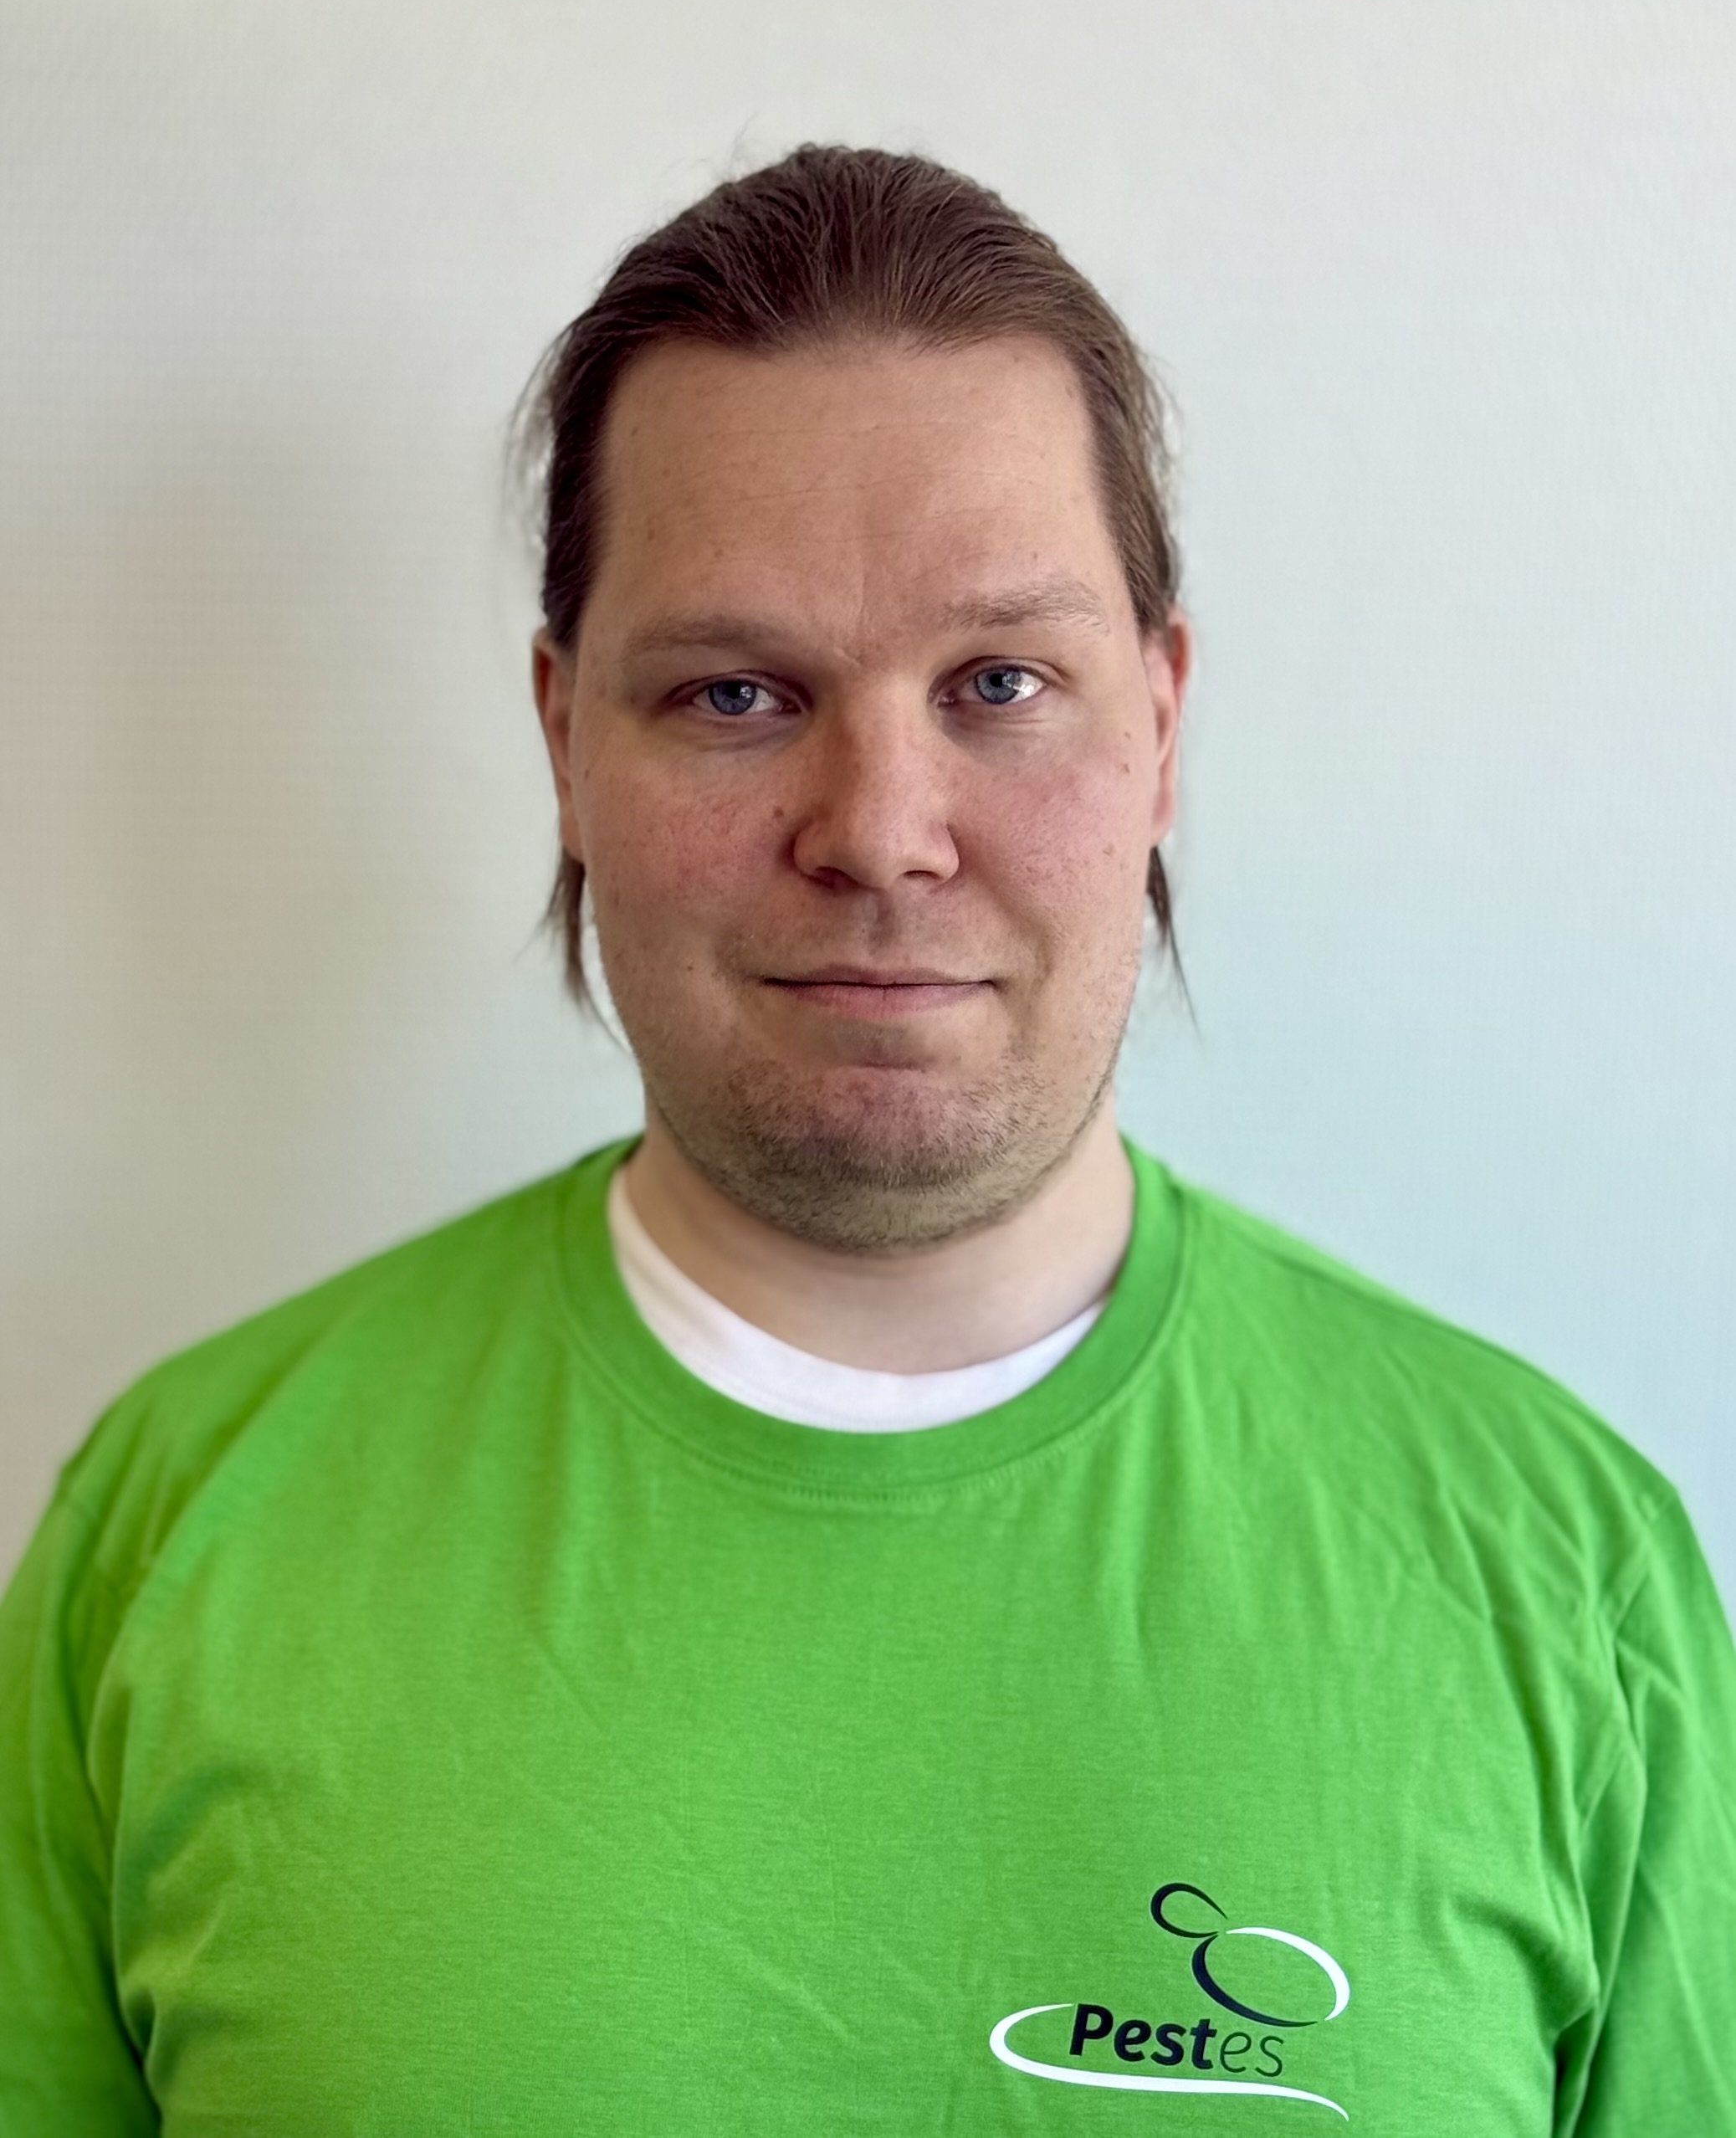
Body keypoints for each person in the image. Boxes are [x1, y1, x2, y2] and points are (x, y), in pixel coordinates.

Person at [2, 142, 1732, 2135]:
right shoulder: (181, 1527)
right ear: (565, 739)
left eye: (1000, 682)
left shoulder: (1561, 1571)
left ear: (1162, 722)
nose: (881, 831)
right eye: (737, 693)